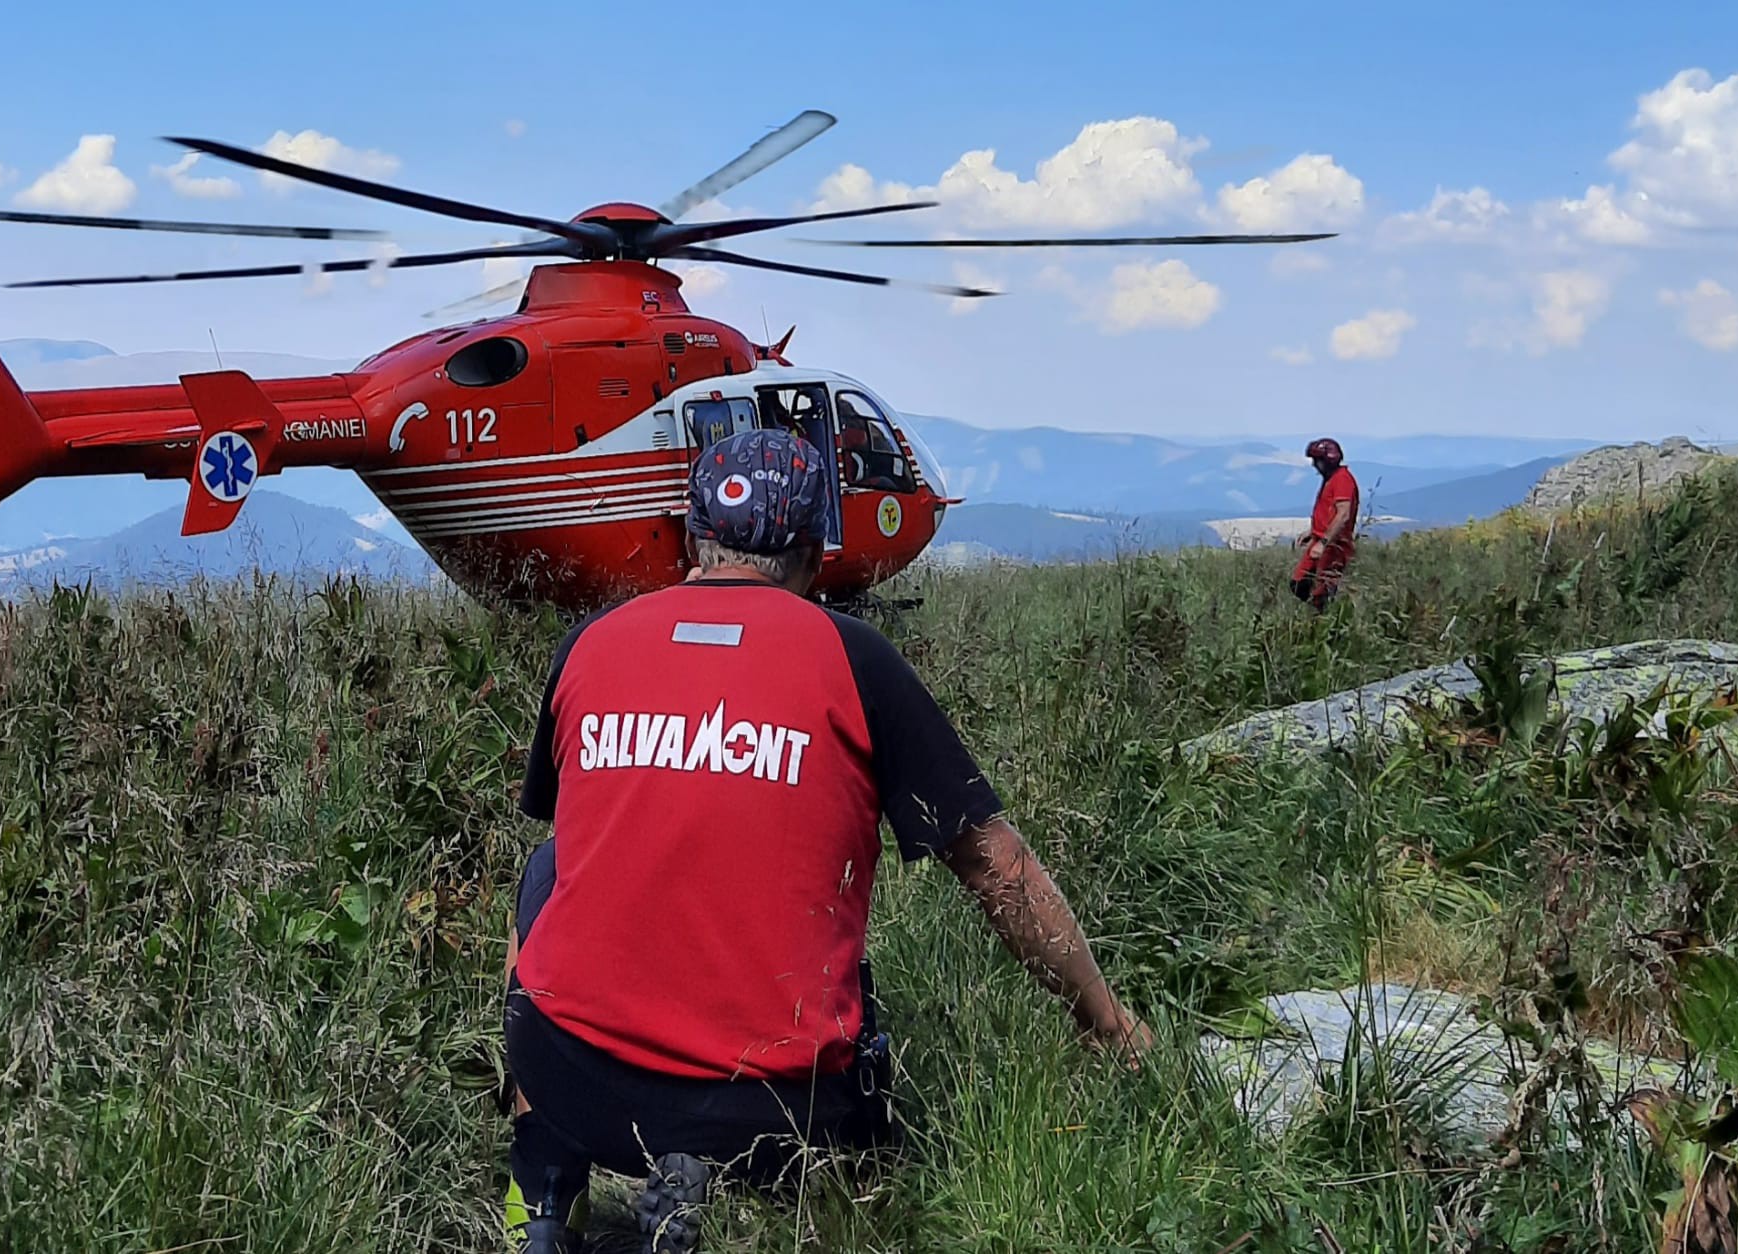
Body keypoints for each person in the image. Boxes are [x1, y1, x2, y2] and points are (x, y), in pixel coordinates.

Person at [501, 428, 1151, 1254]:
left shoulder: (591, 643)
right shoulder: (856, 658)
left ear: (692, 537)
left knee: (549, 871)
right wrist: (1107, 1024)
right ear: (815, 552)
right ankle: (708, 1173)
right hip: (776, 1112)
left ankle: (543, 1204)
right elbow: (998, 866)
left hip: (574, 1082)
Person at [1292, 437, 1360, 611]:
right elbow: (1329, 512)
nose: (1314, 465)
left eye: (1317, 460)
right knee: (1299, 584)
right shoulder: (1331, 479)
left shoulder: (1342, 480)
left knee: (1321, 593)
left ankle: (1323, 619)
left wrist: (1323, 543)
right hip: (1321, 540)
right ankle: (1318, 615)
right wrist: (1312, 531)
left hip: (1333, 545)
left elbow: (1343, 514)